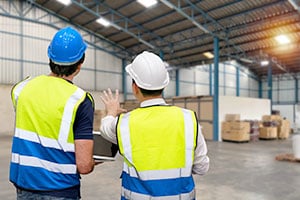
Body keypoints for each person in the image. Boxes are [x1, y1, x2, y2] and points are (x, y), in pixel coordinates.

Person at [100, 51, 209, 200]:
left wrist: (111, 111)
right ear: (164, 85)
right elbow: (202, 167)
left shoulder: (124, 123)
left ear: (135, 87)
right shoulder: (188, 119)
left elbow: (105, 128)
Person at [10, 27, 95, 200]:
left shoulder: (21, 89)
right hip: (60, 189)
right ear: (80, 63)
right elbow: (84, 166)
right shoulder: (81, 100)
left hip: (24, 187)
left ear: (50, 57)